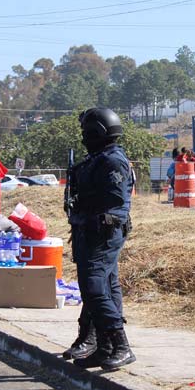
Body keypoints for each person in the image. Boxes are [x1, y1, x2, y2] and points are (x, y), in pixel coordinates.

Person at [64, 107, 135, 371]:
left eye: (87, 132)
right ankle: (103, 347)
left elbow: (115, 203)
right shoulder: (97, 159)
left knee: (95, 288)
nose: (84, 137)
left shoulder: (112, 161)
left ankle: (121, 345)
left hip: (103, 231)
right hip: (90, 230)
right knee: (103, 286)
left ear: (98, 133)